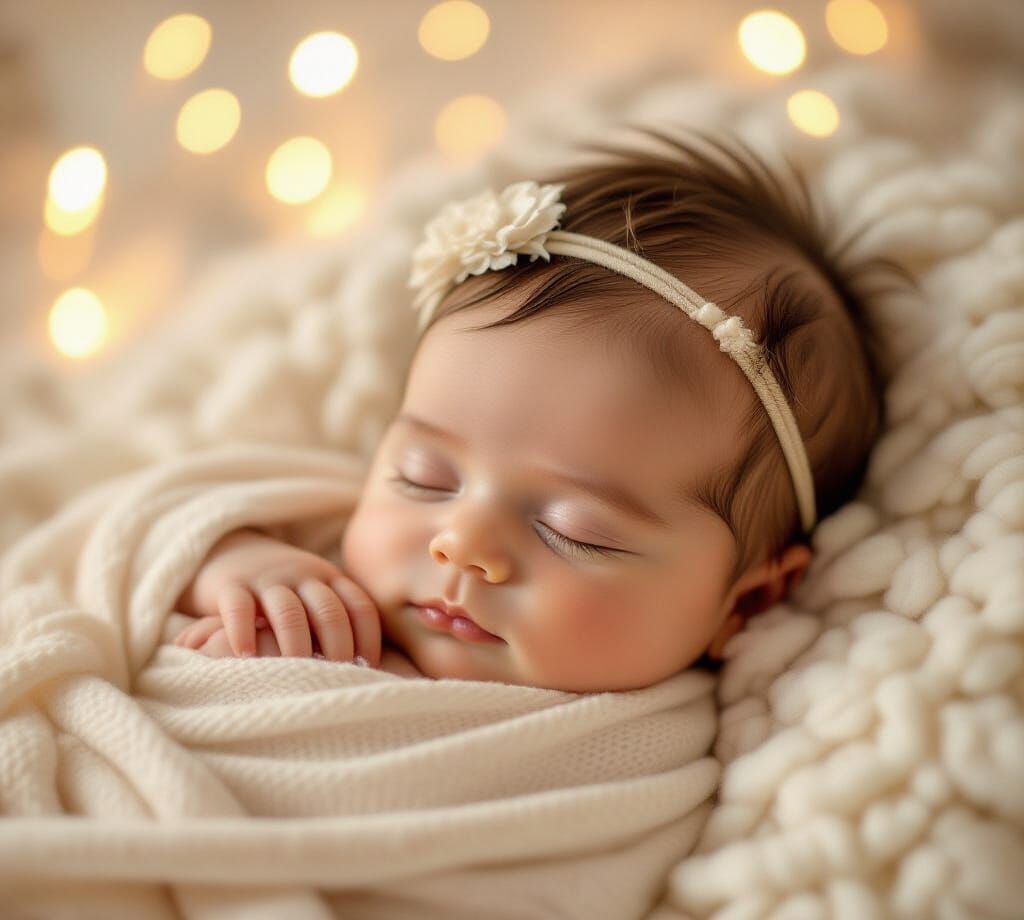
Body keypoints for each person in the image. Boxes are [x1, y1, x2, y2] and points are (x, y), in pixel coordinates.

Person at [172, 125, 913, 692]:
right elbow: (134, 519)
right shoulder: (308, 540)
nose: (460, 544)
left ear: (743, 606)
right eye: (424, 476)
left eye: (574, 531)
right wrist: (232, 560)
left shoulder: (642, 751)